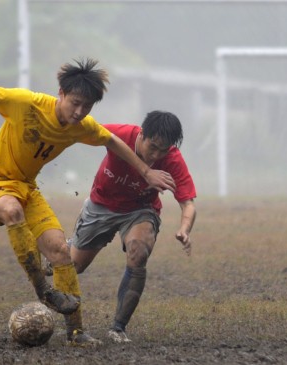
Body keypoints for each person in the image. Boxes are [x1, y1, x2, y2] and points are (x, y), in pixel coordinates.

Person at [0, 59, 176, 347]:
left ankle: (76, 332)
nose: (79, 112)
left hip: (27, 189)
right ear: (61, 93)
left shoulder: (82, 126)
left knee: (61, 253)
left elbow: (113, 141)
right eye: (75, 103)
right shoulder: (25, 102)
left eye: (87, 107)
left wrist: (146, 172)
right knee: (12, 210)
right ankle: (43, 290)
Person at [64, 110, 196, 343]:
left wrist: (184, 229)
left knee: (139, 251)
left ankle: (118, 328)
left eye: (163, 150)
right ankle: (65, 248)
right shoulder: (120, 133)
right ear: (142, 134)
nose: (156, 155)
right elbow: (80, 129)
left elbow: (188, 204)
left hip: (140, 210)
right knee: (74, 265)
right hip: (101, 205)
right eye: (152, 147)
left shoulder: (172, 159)